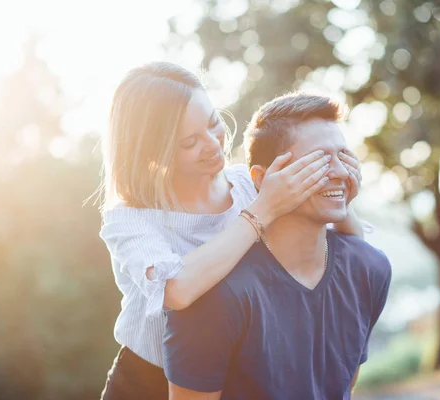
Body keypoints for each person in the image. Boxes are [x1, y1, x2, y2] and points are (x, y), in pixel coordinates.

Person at [98, 62, 368, 399]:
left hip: (229, 375)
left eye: (214, 124)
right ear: (153, 152)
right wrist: (261, 211)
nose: (213, 144)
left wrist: (344, 201)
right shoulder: (131, 218)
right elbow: (177, 290)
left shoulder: (248, 184)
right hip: (147, 381)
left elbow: (349, 255)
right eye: (189, 142)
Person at [163, 92, 392, 400]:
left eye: (343, 157)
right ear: (262, 178)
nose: (338, 172)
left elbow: (341, 388)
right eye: (319, 161)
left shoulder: (370, 269)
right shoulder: (217, 297)